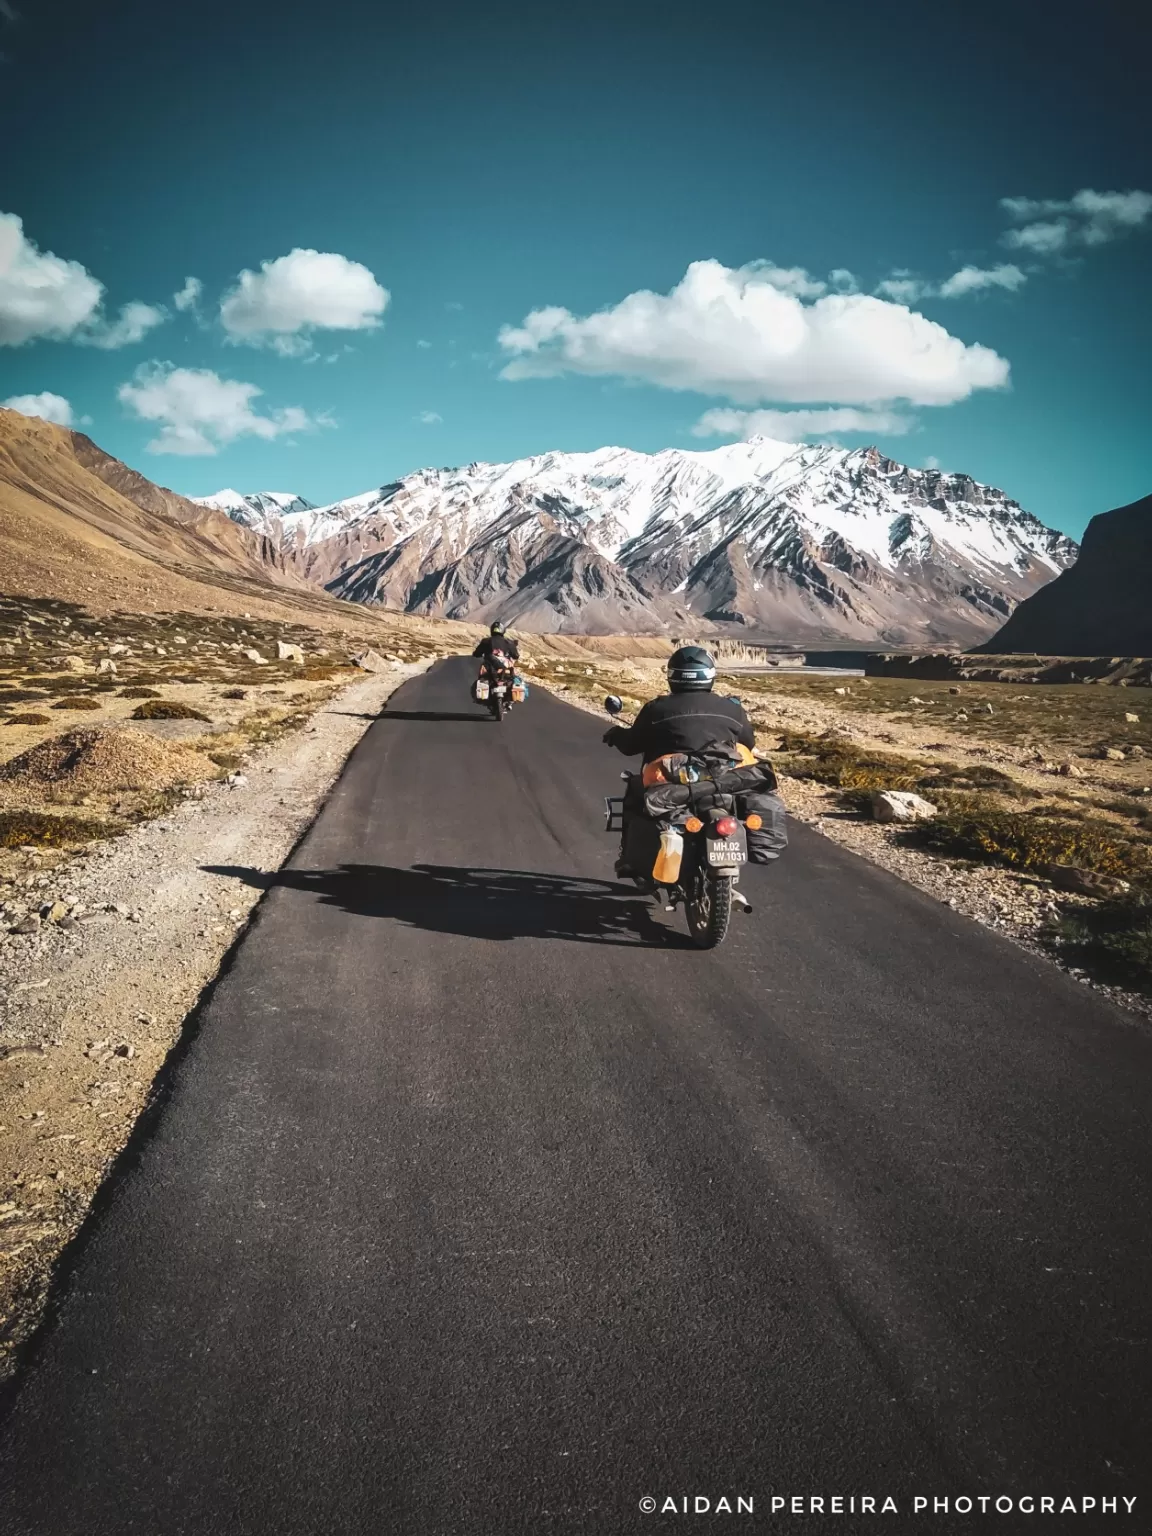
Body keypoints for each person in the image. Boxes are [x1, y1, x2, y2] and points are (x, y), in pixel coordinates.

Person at [603, 645, 786, 875]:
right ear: (709, 675)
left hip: (673, 782)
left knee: (636, 793)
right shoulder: (732, 709)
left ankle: (631, 860)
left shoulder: (656, 708)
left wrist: (616, 735)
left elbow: (631, 746)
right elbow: (747, 744)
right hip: (726, 780)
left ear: (673, 676)